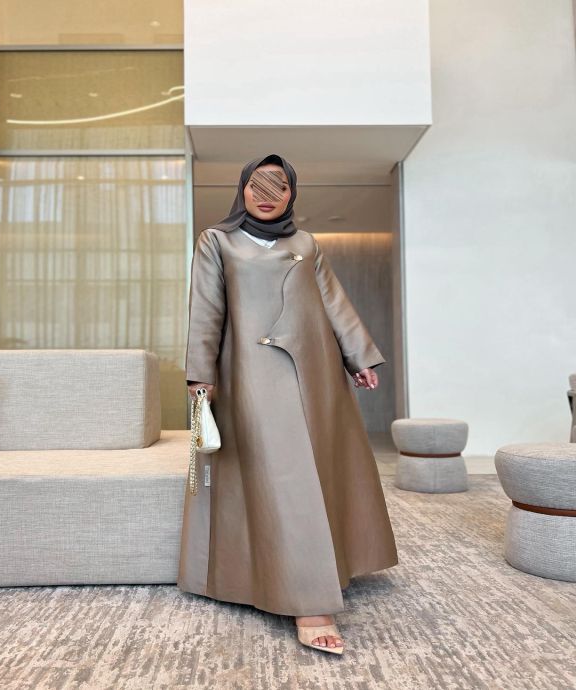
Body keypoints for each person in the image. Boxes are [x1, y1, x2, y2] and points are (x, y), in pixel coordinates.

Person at [177, 153, 398, 655]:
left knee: (318, 471)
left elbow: (334, 302)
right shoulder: (218, 241)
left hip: (316, 373)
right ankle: (309, 601)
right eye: (257, 185)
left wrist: (360, 357)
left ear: (292, 194)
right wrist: (200, 376)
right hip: (251, 375)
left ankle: (327, 568)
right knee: (282, 476)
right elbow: (206, 310)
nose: (267, 194)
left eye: (279, 186)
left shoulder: (306, 244)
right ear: (242, 189)